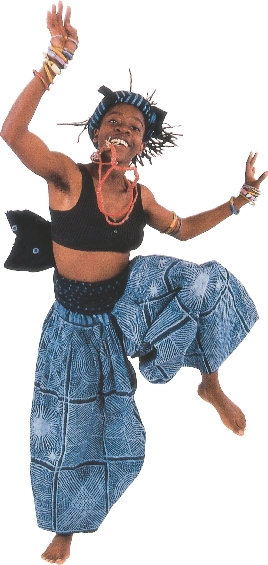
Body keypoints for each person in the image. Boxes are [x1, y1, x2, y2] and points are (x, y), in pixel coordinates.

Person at [1, 3, 267, 564]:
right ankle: (65, 529)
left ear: (143, 146)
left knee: (204, 284)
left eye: (134, 127)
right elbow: (12, 132)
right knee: (72, 428)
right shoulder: (66, 176)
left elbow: (188, 231)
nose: (123, 130)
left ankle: (209, 380)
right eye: (115, 123)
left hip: (128, 300)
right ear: (97, 133)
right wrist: (51, 65)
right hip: (75, 326)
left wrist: (239, 201)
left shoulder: (140, 199)